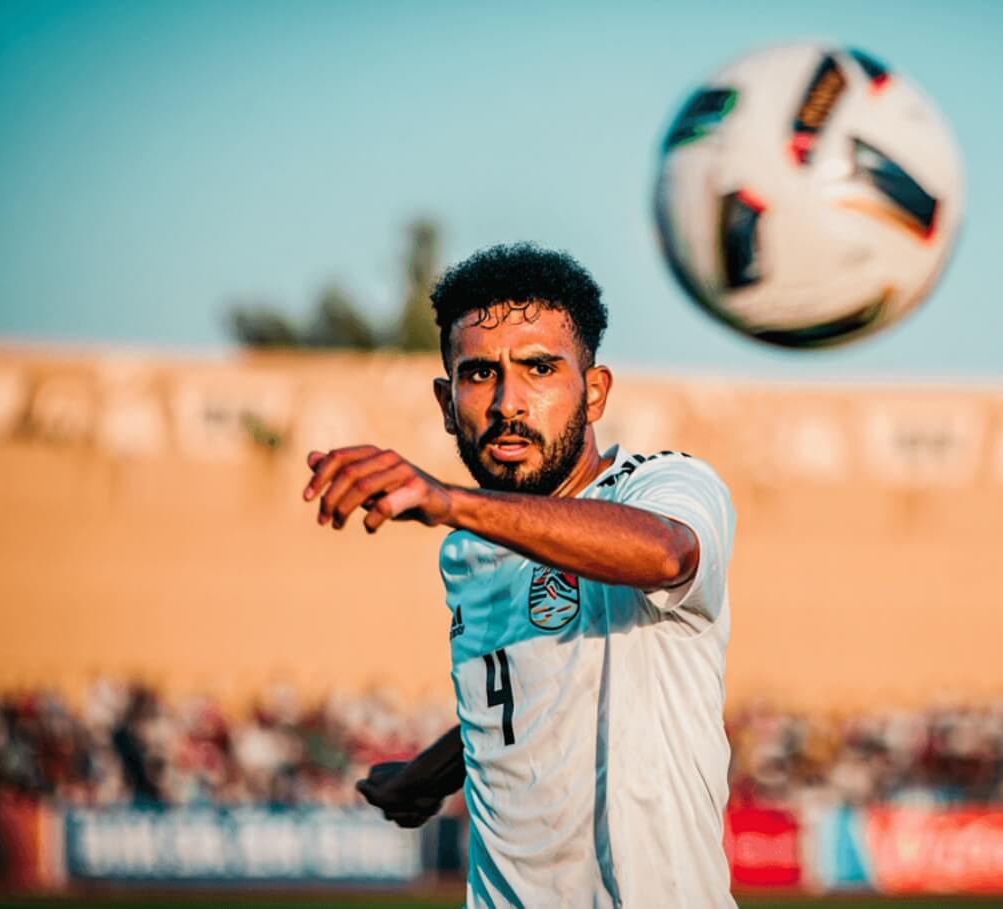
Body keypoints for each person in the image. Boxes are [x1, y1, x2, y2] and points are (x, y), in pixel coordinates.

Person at [302, 243, 736, 907]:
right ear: (447, 404)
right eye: (479, 374)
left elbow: (669, 556)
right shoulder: (468, 550)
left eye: (539, 368)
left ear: (593, 392)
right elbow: (525, 686)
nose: (508, 402)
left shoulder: (663, 486)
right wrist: (432, 771)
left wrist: (449, 501)